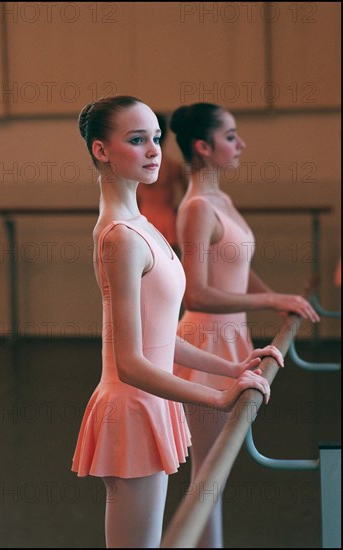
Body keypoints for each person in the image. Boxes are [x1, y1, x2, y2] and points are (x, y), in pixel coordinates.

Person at [71, 96, 284, 549]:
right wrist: (218, 396)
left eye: (154, 138)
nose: (152, 150)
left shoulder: (141, 223)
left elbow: (160, 338)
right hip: (132, 406)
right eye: (135, 140)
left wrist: (234, 367)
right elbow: (130, 362)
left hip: (150, 399)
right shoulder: (119, 238)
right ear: (100, 150)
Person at [170, 102, 320, 548]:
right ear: (203, 146)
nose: (241, 144)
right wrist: (272, 298)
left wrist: (277, 300)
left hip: (232, 336)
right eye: (231, 136)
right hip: (205, 338)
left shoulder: (221, 199)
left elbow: (236, 265)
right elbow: (195, 292)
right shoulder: (195, 207)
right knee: (210, 470)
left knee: (220, 469)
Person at [136, 112, 188, 257]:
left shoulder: (135, 167)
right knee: (172, 267)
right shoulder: (174, 167)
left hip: (143, 218)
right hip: (168, 220)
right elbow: (188, 199)